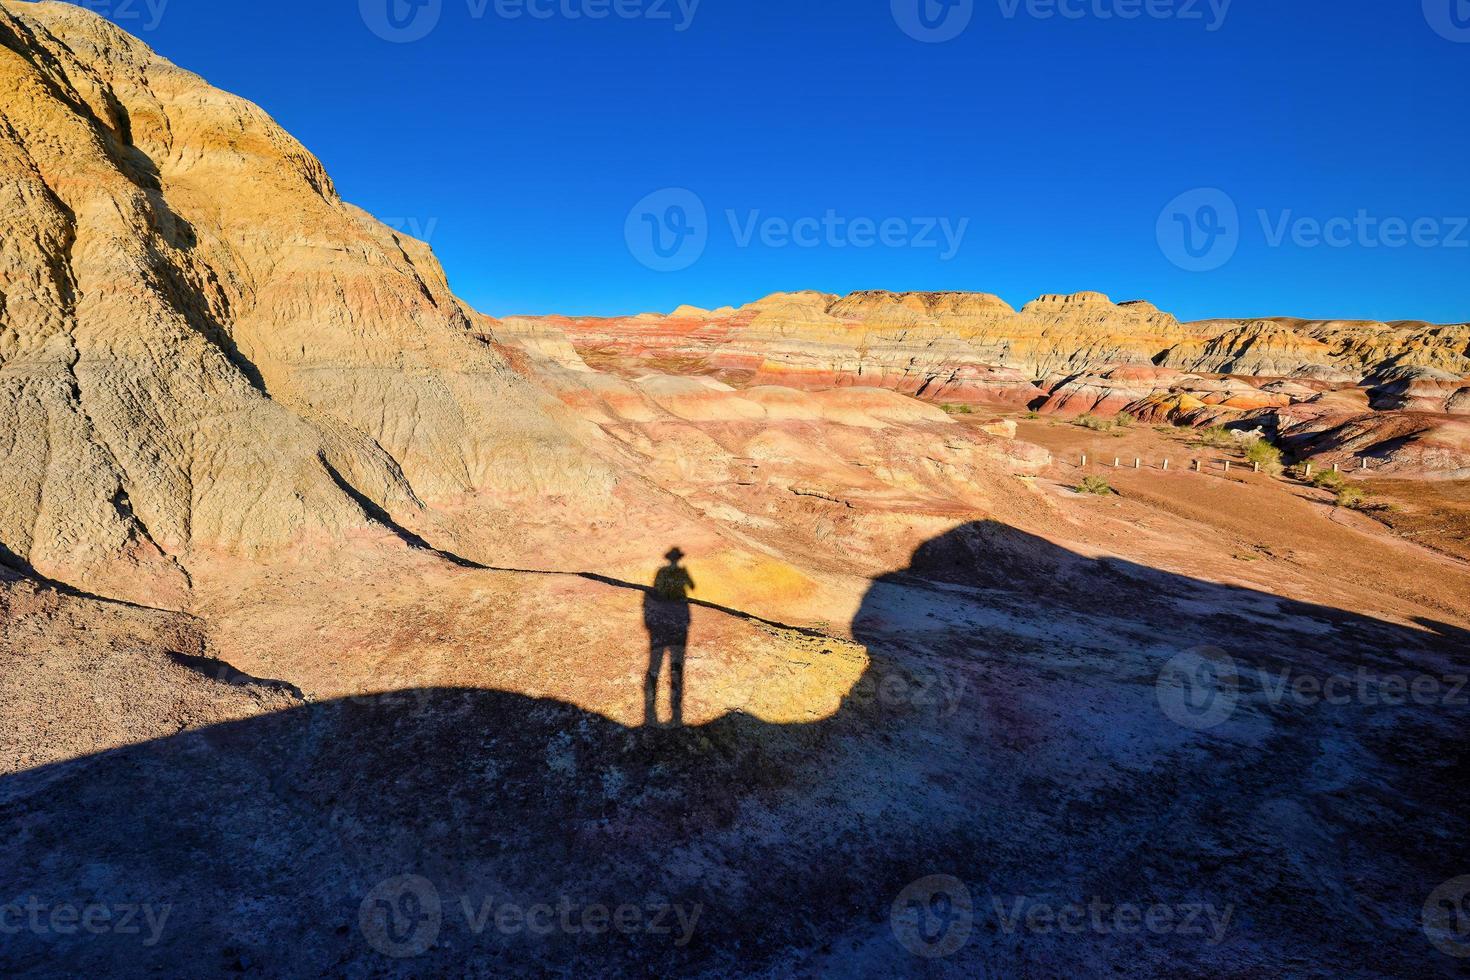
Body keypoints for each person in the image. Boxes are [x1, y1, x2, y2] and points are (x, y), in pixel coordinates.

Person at [644, 547, 694, 727]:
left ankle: (653, 712)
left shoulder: (661, 572)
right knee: (675, 664)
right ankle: (674, 714)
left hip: (663, 615)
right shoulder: (680, 572)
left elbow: (657, 589)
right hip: (677, 616)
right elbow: (692, 586)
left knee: (656, 664)